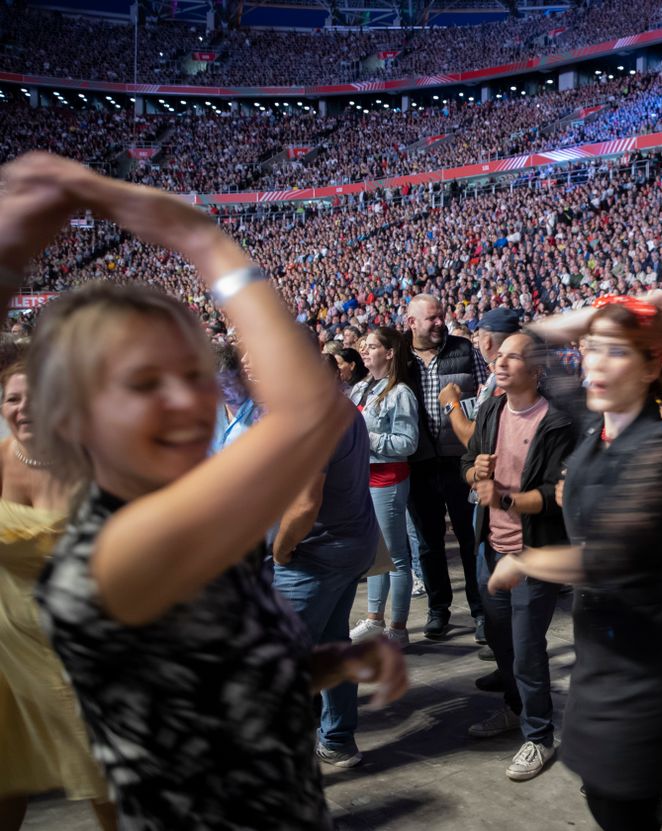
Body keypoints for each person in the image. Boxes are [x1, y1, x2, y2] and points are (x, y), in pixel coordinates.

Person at [11, 153, 406, 830]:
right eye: (141, 384)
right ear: (74, 416)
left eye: (192, 373)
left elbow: (222, 682)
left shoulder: (182, 518)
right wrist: (198, 237)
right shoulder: (121, 547)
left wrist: (332, 660)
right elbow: (312, 408)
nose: (185, 400)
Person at [490, 292, 662, 831]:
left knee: (621, 809)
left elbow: (611, 560)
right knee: (604, 798)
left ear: (653, 365)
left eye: (615, 353)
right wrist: (623, 307)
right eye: (591, 349)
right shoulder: (603, 416)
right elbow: (541, 335)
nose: (593, 363)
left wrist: (527, 561)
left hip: (644, 665)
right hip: (602, 648)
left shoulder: (653, 443)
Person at [0, 363, 116, 831]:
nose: (24, 409)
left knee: (105, 783)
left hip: (83, 652)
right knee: (7, 778)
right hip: (7, 655)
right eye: (12, 399)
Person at [462, 332, 574, 781]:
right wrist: (475, 472)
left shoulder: (558, 423)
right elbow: (468, 462)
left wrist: (505, 499)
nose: (501, 363)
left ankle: (539, 736)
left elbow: (556, 495)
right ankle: (513, 709)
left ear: (537, 369)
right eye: (499, 355)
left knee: (528, 649)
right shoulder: (490, 409)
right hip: (491, 549)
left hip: (532, 555)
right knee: (501, 642)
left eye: (513, 357)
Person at [271, 371, 381, 769]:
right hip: (345, 546)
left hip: (315, 555)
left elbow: (304, 505)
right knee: (331, 645)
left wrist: (282, 551)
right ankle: (337, 741)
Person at [405, 293, 489, 641]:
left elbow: (486, 396)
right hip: (419, 463)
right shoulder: (399, 357)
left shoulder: (465, 350)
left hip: (460, 462)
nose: (440, 323)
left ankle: (482, 611)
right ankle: (438, 609)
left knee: (471, 540)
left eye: (442, 316)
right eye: (432, 319)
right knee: (428, 542)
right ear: (411, 323)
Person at [348, 326, 419, 648]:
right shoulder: (361, 387)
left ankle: (398, 627)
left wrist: (368, 436)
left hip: (387, 479)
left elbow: (408, 442)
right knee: (375, 554)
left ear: (389, 353)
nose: (364, 351)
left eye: (372, 346)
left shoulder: (400, 392)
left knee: (396, 557)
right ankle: (375, 619)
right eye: (363, 346)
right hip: (363, 477)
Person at [441, 307, 519, 448]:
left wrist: (451, 403)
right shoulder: (524, 370)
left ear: (487, 341)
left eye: (480, 335)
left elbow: (472, 439)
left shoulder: (499, 378)